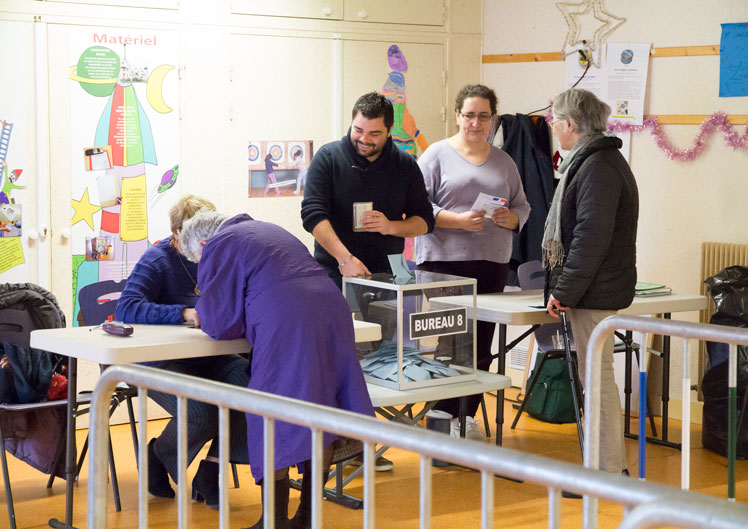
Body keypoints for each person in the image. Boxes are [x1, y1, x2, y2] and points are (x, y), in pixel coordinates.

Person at [179, 210, 374, 529]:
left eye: (199, 261)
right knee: (321, 411)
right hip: (331, 310)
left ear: (203, 243)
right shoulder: (264, 228)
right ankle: (308, 517)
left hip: (288, 321)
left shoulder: (219, 244)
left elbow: (221, 323)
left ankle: (275, 519)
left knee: (270, 415)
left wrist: (199, 312)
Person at [115, 194, 250, 509]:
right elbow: (127, 307)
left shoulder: (218, 256)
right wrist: (184, 313)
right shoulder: (157, 259)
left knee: (251, 391)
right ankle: (159, 454)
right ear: (177, 236)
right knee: (199, 412)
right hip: (157, 360)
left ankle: (211, 470)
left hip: (207, 355)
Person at [415, 84, 531, 441]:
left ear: (492, 119)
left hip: (491, 262)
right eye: (469, 115)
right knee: (450, 344)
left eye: (483, 116)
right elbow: (419, 209)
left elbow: (522, 206)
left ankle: (466, 417)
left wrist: (512, 219)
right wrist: (459, 221)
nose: (476, 123)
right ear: (457, 116)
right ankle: (442, 417)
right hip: (443, 263)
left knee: (481, 345)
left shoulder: (504, 161)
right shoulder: (435, 155)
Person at [543, 88, 638, 478]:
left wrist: (564, 289)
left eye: (555, 121)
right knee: (597, 380)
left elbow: (590, 237)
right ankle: (611, 467)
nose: (552, 127)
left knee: (597, 383)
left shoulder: (597, 165)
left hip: (593, 292)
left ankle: (604, 473)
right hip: (597, 288)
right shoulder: (601, 159)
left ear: (569, 123)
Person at [301, 91, 435, 288]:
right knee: (338, 320)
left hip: (388, 274)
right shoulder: (328, 158)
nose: (364, 139)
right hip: (335, 270)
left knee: (386, 321)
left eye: (374, 134)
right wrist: (345, 259)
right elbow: (312, 216)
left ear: (390, 130)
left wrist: (391, 227)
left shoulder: (405, 165)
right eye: (358, 130)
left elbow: (425, 222)